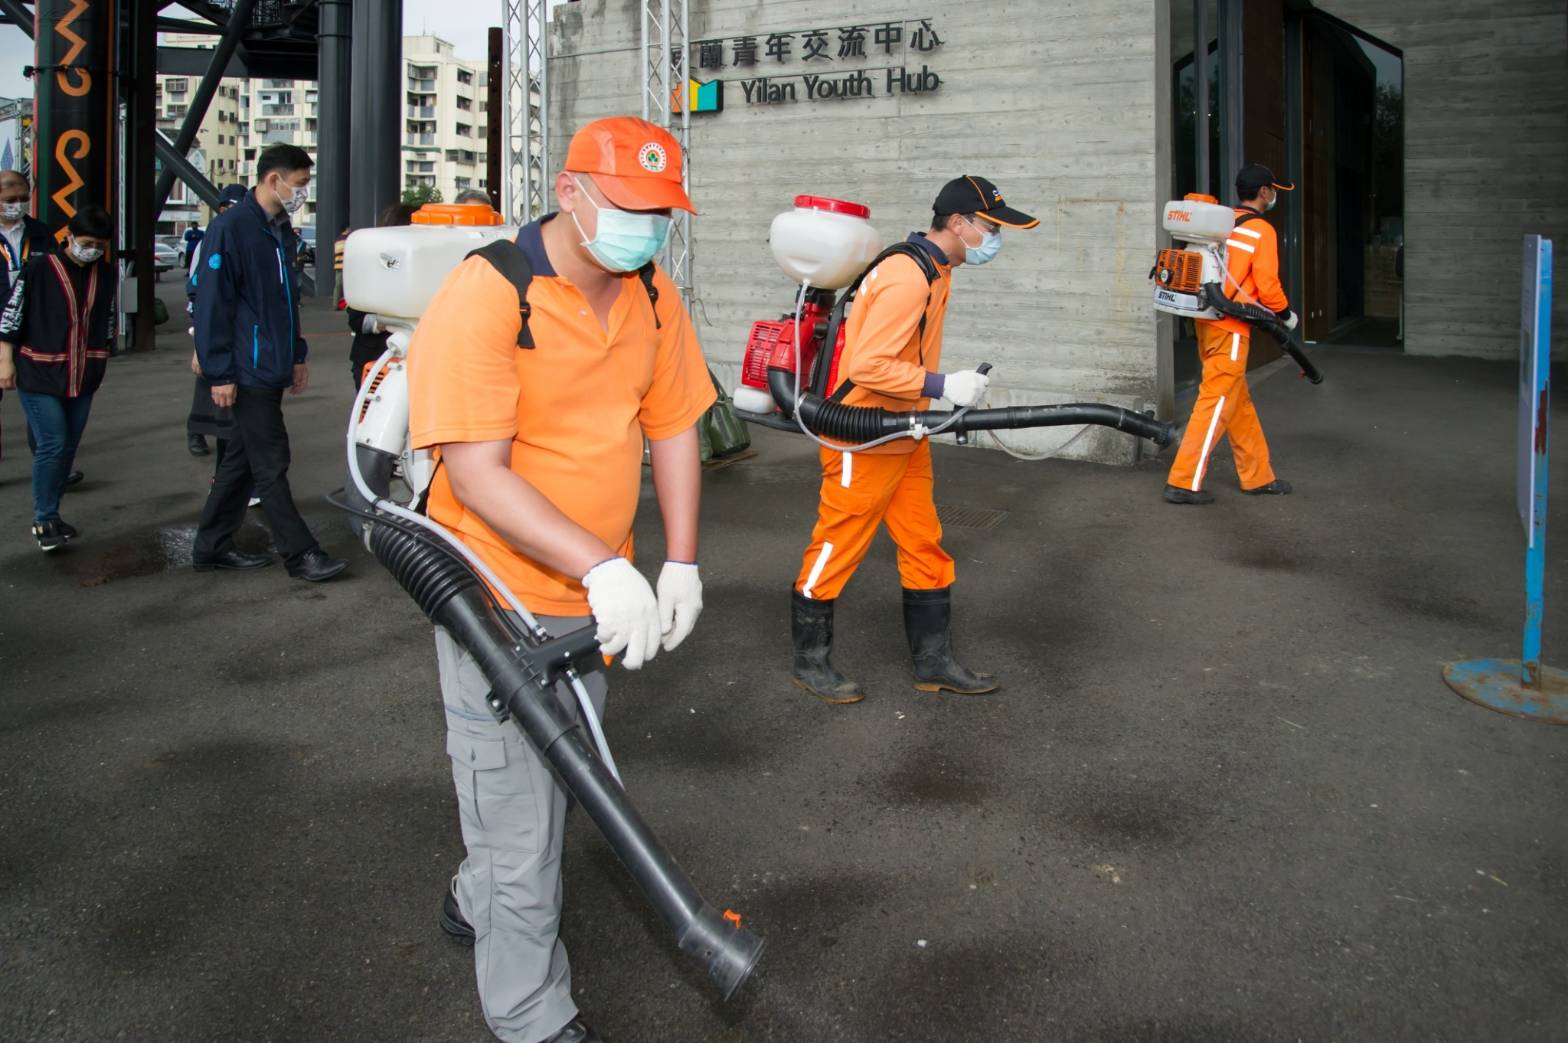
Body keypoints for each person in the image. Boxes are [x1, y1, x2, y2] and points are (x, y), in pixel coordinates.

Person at [406, 116, 714, 1043]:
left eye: (662, 214)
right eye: (630, 208)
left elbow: (673, 427)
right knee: (522, 827)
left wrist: (684, 560)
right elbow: (476, 473)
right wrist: (603, 562)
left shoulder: (652, 293)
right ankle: (530, 1014)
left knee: (550, 785)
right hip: (496, 597)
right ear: (571, 190)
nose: (648, 230)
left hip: (594, 599)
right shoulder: (489, 294)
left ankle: (476, 894)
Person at [790, 175, 1037, 704]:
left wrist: (930, 394)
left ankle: (934, 663)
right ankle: (809, 662)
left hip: (906, 431)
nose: (996, 239)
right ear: (957, 223)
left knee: (923, 542)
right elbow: (869, 365)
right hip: (862, 435)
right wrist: (943, 385)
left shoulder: (936, 268)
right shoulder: (909, 276)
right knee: (837, 546)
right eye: (990, 228)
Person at [191, 144, 347, 581]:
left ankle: (211, 545)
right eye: (299, 185)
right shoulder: (231, 228)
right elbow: (212, 304)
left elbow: (285, 302)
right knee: (270, 460)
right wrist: (219, 370)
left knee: (241, 460)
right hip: (246, 367)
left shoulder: (279, 230)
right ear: (272, 179)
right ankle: (301, 553)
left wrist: (297, 354)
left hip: (270, 362)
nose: (303, 193)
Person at [1163, 163, 1297, 505]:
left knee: (1237, 401)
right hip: (1232, 327)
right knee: (1216, 402)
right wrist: (1286, 315)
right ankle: (1183, 481)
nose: (1275, 196)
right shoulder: (1261, 230)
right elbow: (1267, 286)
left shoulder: (1222, 225)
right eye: (1275, 190)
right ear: (1264, 191)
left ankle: (1257, 476)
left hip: (1206, 321)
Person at [0, 205, 114, 551]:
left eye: (98, 244)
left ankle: (53, 511)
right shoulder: (39, 267)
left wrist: (103, 351)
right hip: (39, 371)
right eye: (86, 241)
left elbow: (105, 317)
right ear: (68, 237)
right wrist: (5, 360)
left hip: (83, 374)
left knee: (65, 446)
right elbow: (12, 314)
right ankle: (44, 518)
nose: (91, 249)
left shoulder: (104, 273)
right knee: (53, 443)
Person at [0, 169, 69, 476]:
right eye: (9, 199)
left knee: (42, 402)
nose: (16, 204)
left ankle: (50, 463)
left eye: (22, 197)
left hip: (34, 332)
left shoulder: (41, 233)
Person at [186, 183, 248, 457]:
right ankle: (196, 433)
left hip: (239, 338)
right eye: (227, 208)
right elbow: (200, 295)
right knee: (208, 393)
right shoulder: (212, 238)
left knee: (233, 414)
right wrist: (199, 347)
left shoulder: (247, 238)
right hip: (214, 335)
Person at [346, 203, 416, 389]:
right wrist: (394, 322)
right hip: (375, 361)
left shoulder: (421, 269)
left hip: (416, 363)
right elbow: (357, 320)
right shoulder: (369, 266)